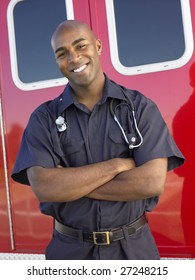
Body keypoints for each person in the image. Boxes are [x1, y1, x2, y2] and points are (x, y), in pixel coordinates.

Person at [12, 20, 184, 260]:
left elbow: (151, 182)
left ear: (98, 46)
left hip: (133, 252)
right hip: (70, 254)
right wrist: (118, 165)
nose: (73, 58)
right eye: (62, 54)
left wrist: (70, 185)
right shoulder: (43, 118)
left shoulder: (139, 107)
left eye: (80, 46)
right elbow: (45, 187)